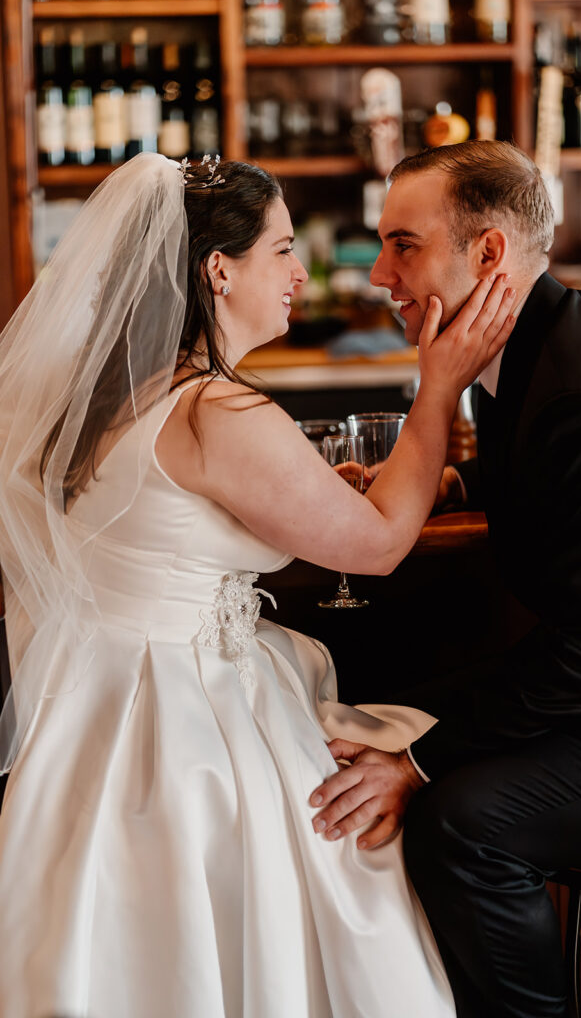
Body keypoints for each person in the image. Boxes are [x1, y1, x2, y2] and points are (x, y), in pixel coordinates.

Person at [0, 152, 515, 1018]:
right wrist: (439, 388)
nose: (302, 272)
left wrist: (313, 499)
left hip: (95, 709)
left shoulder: (114, 398)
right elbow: (382, 546)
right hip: (186, 721)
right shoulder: (218, 412)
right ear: (217, 269)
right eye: (281, 250)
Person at [309, 140, 581, 1018]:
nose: (377, 276)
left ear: (487, 255)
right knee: (375, 702)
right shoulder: (533, 344)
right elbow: (554, 484)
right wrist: (451, 483)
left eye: (403, 245)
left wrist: (421, 764)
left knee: (461, 823)